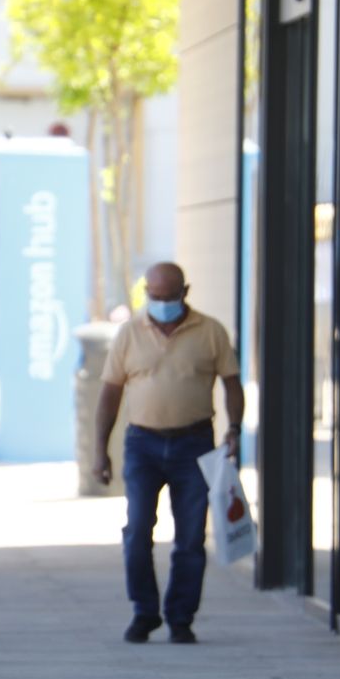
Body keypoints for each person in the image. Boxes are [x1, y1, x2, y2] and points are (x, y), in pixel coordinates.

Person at [91, 262, 244, 645]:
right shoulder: (129, 333)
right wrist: (100, 451)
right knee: (137, 530)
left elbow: (232, 384)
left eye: (168, 296)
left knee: (190, 536)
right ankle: (144, 612)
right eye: (153, 296)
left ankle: (180, 617)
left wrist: (234, 429)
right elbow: (110, 394)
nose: (160, 303)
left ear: (184, 292)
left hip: (194, 443)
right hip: (142, 443)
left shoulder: (210, 331)